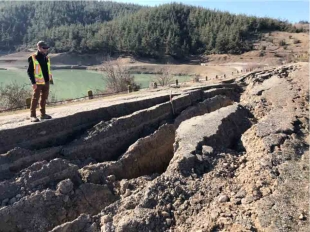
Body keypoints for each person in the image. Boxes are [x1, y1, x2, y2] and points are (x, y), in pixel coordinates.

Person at [27, 41, 54, 122]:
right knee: (35, 98)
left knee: (44, 98)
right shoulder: (33, 57)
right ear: (39, 47)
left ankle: (43, 114)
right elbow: (29, 71)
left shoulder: (46, 57)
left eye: (47, 48)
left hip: (46, 81)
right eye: (44, 48)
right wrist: (33, 83)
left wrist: (49, 80)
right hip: (38, 83)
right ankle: (32, 116)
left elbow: (47, 70)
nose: (46, 49)